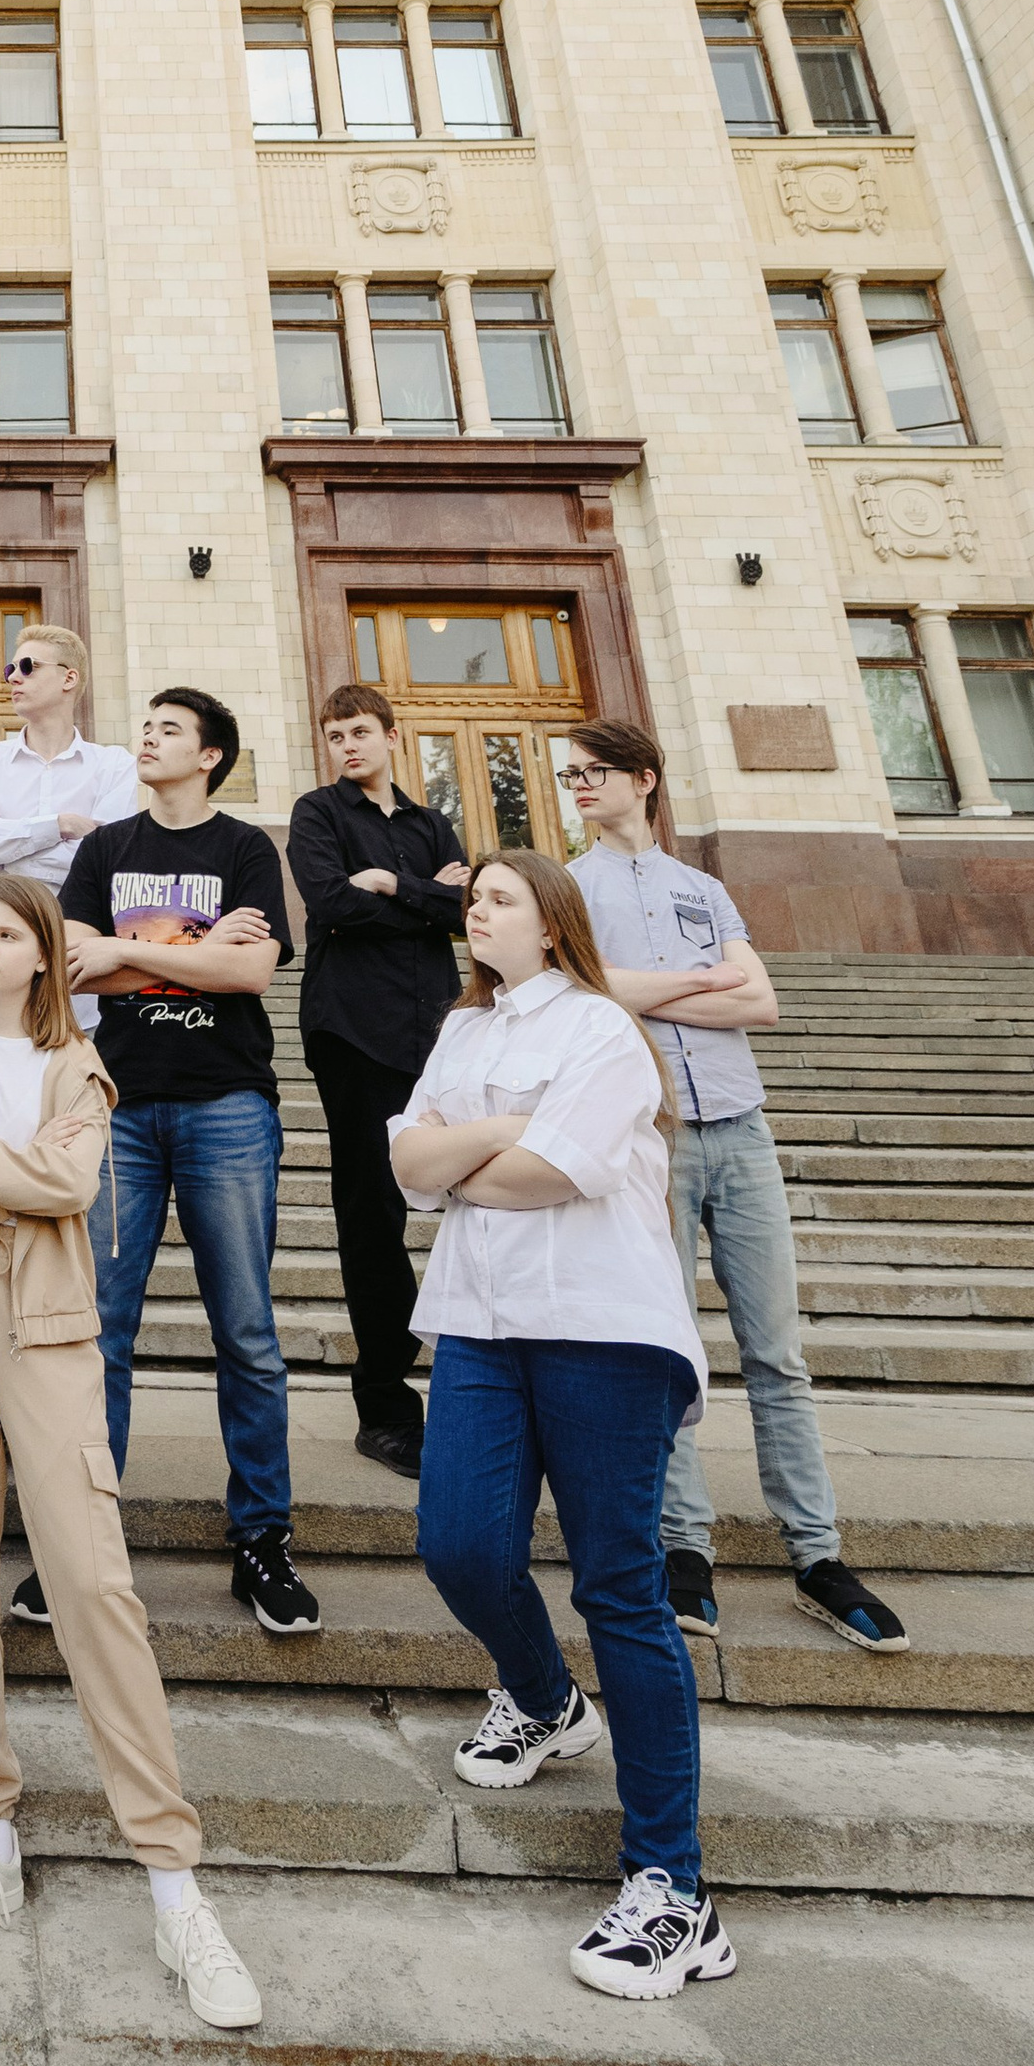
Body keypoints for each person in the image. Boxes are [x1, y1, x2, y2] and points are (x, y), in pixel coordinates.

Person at [0, 875, 262, 2030]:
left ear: (47, 952)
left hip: (44, 1323)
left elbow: (68, 1181)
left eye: (8, 932)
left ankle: (173, 1879)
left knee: (92, 1582)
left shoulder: (75, 1064)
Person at [393, 847, 735, 2003]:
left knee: (619, 1588)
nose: (474, 909)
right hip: (481, 1325)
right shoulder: (463, 1029)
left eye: (498, 897)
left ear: (553, 921)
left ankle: (673, 1889)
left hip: (603, 1329)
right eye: (471, 897)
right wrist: (504, 1131)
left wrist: (467, 1153)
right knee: (458, 1544)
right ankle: (544, 1699)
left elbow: (549, 1174)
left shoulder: (602, 1029)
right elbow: (405, 1161)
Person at [563, 718, 907, 1655]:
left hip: (742, 1130)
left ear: (645, 778)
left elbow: (763, 1000)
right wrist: (698, 980)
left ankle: (818, 1556)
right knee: (670, 1350)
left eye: (595, 771)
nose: (579, 785)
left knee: (777, 1354)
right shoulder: (571, 888)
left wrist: (652, 985)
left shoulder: (703, 887)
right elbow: (593, 994)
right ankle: (685, 1550)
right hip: (653, 1136)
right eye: (570, 774)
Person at [58, 688, 320, 1638]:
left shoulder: (245, 847)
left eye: (169, 728)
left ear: (210, 755)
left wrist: (125, 953)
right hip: (121, 1106)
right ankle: (85, 1542)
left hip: (227, 1104)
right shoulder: (104, 849)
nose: (148, 736)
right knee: (101, 1330)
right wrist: (194, 949)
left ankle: (263, 1540)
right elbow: (71, 961)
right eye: (147, 725)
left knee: (246, 1331)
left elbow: (252, 972)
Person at [286, 680, 470, 1483]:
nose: (347, 745)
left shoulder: (430, 823)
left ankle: (480, 1389)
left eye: (359, 731)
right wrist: (431, 895)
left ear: (392, 736)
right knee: (372, 1214)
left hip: (438, 1032)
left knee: (477, 1202)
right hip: (354, 1033)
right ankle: (386, 1407)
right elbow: (330, 902)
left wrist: (395, 884)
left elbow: (468, 913)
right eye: (335, 735)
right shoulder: (317, 814)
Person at [0, 626, 140, 1020]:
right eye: (11, 668)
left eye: (28, 666)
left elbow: (106, 864)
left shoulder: (114, 765)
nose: (14, 677)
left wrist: (1, 839)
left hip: (75, 982)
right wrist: (60, 826)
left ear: (69, 678)